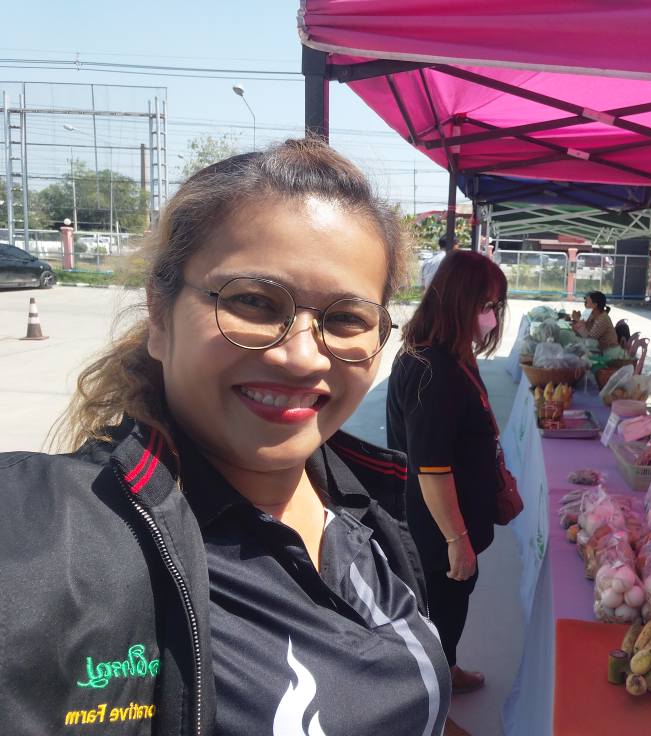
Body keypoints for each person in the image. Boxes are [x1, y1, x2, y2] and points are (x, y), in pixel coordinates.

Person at [0, 140, 451, 735]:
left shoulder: (366, 503)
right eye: (254, 302)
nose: (301, 357)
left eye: (346, 318)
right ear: (159, 315)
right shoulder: (59, 537)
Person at [386, 251, 508, 736]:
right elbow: (432, 467)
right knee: (438, 611)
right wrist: (457, 539)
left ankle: (448, 669)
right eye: (486, 304)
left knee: (453, 606)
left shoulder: (449, 356)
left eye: (496, 305)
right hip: (437, 528)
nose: (492, 315)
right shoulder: (433, 370)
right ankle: (430, 705)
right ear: (459, 301)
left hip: (453, 520)